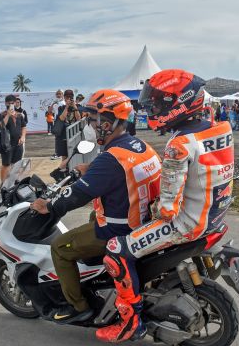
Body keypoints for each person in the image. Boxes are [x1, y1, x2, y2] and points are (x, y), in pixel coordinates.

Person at [95, 69, 234, 343]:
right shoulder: (222, 129)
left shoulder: (179, 144)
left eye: (158, 104)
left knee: (115, 251)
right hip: (215, 214)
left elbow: (168, 209)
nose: (153, 109)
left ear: (179, 104)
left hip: (187, 223)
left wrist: (153, 207)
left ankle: (130, 321)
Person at [29, 89, 161, 325]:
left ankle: (79, 307)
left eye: (92, 120)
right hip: (144, 220)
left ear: (107, 124)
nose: (88, 124)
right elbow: (119, 170)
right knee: (92, 214)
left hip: (119, 229)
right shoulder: (139, 146)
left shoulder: (110, 159)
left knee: (60, 248)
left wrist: (48, 206)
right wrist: (91, 168)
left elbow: (77, 195)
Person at [0, 94, 26, 182]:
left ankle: (14, 181)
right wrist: (8, 115)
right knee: (6, 164)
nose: (11, 105)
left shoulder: (19, 115)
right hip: (7, 144)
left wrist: (23, 137)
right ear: (6, 103)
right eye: (9, 103)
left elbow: (23, 127)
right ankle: (3, 184)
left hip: (18, 143)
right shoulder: (2, 115)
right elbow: (1, 126)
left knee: (17, 164)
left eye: (12, 103)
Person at [50, 89, 66, 160]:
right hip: (56, 121)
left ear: (62, 95)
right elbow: (49, 111)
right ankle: (57, 153)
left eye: (60, 94)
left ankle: (59, 153)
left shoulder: (63, 103)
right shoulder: (55, 103)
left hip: (61, 122)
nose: (58, 95)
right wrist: (53, 104)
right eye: (57, 94)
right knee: (57, 138)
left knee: (60, 138)